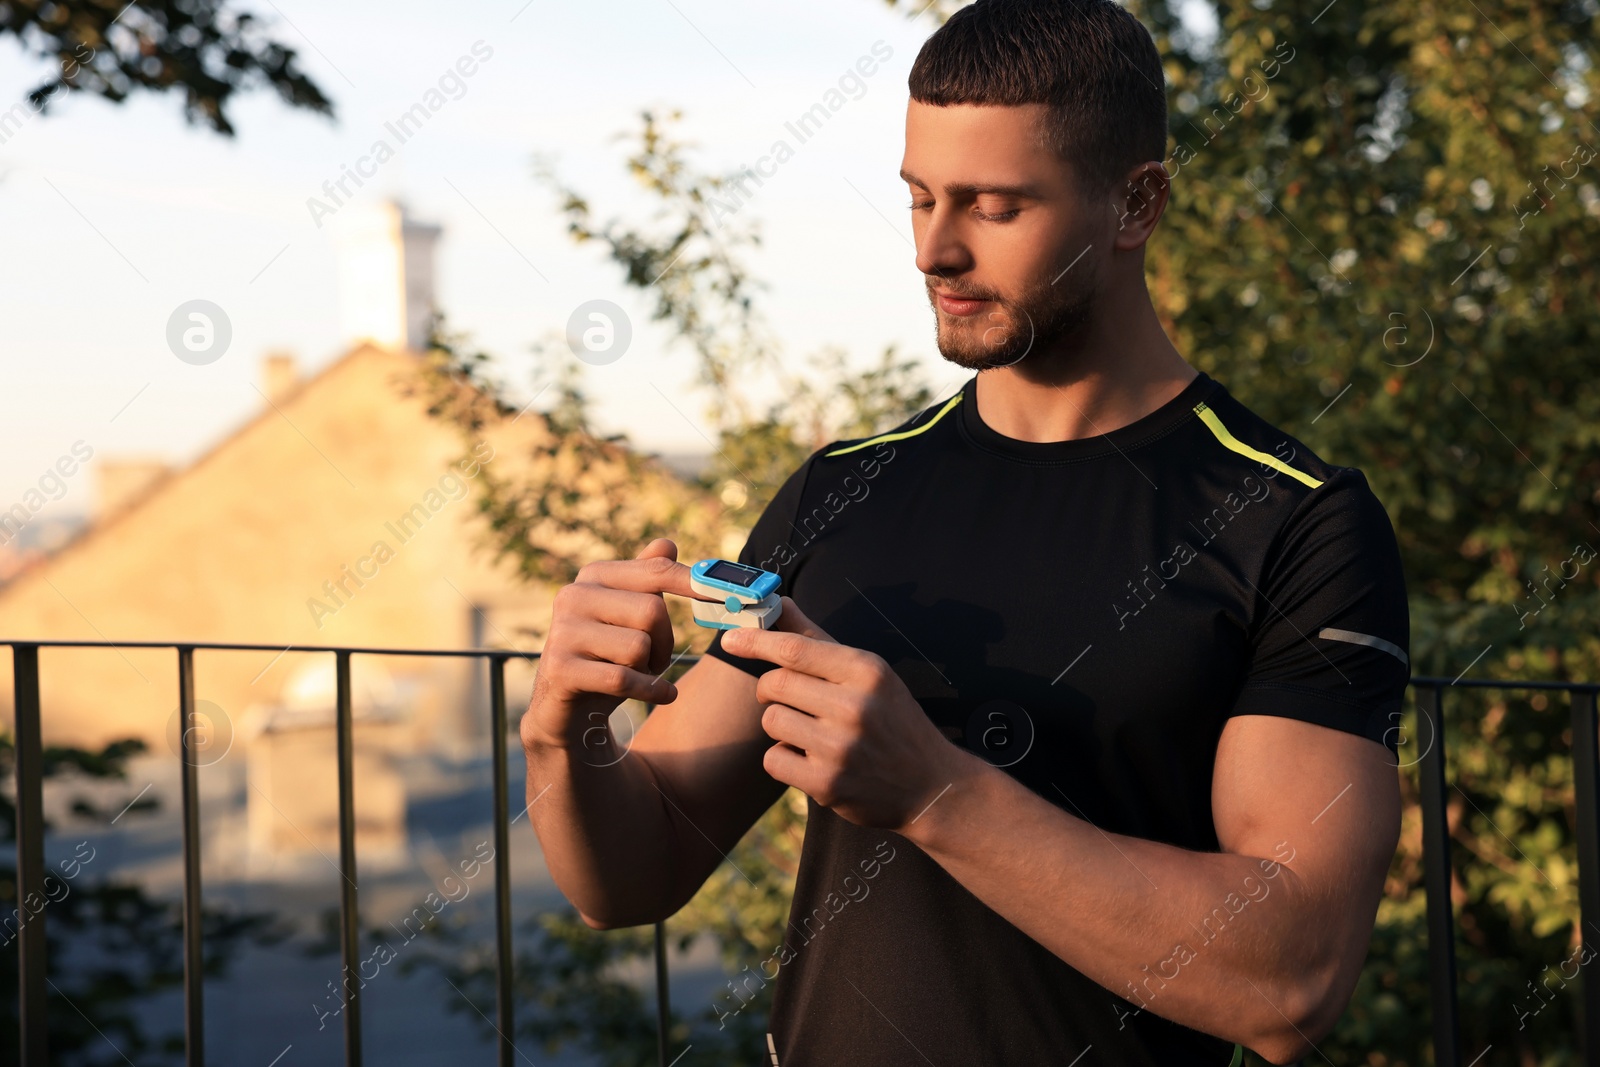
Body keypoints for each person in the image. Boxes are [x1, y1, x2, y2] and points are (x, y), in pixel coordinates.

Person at [519, 1, 1408, 1063]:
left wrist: (935, 789)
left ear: (1136, 202)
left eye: (991, 206)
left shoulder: (1295, 520)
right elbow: (636, 870)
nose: (934, 250)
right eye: (920, 197)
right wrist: (563, 733)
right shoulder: (840, 489)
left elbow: (1289, 976)